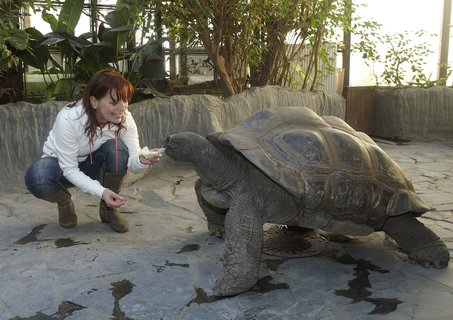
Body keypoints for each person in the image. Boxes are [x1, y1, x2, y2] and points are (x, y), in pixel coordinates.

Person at [24, 68, 161, 233]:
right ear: (94, 102)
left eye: (124, 100)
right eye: (113, 102)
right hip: (61, 166)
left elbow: (132, 160)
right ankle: (64, 201)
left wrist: (141, 161)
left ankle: (109, 209)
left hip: (93, 163)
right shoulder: (69, 118)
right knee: (37, 178)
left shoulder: (124, 117)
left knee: (117, 150)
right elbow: (69, 169)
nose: (122, 108)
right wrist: (101, 192)